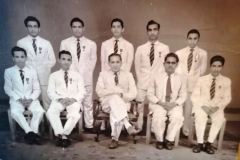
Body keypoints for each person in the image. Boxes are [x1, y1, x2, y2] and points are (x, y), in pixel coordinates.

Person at [60, 17, 97, 131]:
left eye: (79, 27)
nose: (77, 29)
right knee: (73, 101)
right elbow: (64, 61)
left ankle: (89, 125)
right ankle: (74, 125)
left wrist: (86, 72)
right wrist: (73, 74)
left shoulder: (91, 43)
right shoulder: (65, 43)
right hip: (72, 78)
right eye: (74, 27)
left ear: (83, 28)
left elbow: (93, 60)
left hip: (86, 77)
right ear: (71, 28)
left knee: (88, 101)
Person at [96, 53, 138, 149]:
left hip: (123, 103)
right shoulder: (103, 74)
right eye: (112, 62)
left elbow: (134, 93)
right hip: (107, 103)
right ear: (109, 63)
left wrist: (122, 95)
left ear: (121, 62)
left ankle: (114, 139)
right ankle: (127, 125)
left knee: (115, 110)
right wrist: (115, 92)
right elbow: (99, 91)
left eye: (117, 62)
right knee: (114, 98)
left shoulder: (128, 75)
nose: (115, 64)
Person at [4, 46, 45, 145]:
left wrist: (30, 99)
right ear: (13, 58)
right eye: (17, 57)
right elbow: (7, 88)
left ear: (26, 58)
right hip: (17, 100)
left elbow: (37, 89)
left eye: (22, 57)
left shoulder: (32, 71)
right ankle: (30, 132)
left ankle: (32, 132)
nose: (20, 59)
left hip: (31, 99)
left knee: (40, 111)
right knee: (15, 112)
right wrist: (19, 99)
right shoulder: (9, 71)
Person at [191, 55, 231, 154]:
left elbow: (227, 98)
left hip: (216, 107)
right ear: (210, 66)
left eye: (219, 66)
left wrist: (217, 107)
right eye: (214, 66)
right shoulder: (201, 79)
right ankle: (199, 143)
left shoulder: (226, 81)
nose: (216, 69)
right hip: (202, 106)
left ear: (222, 67)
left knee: (219, 119)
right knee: (200, 117)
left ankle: (209, 143)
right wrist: (203, 106)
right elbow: (194, 96)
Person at [135, 20, 170, 132]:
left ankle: (155, 130)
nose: (152, 32)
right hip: (143, 82)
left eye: (155, 29)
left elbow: (166, 67)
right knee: (139, 106)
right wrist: (141, 80)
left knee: (155, 106)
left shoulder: (165, 48)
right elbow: (137, 66)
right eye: (150, 30)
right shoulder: (141, 48)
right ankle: (139, 126)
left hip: (156, 84)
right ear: (147, 32)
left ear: (158, 31)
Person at [147, 53, 186, 150]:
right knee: (159, 117)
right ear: (164, 64)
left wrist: (174, 104)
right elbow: (150, 94)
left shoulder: (181, 78)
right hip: (159, 104)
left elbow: (183, 95)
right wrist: (161, 103)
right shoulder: (155, 76)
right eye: (168, 62)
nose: (170, 65)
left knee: (178, 117)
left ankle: (169, 140)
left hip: (173, 104)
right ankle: (160, 140)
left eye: (173, 63)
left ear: (176, 64)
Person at [46, 50, 85, 148]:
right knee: (51, 112)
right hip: (59, 100)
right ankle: (61, 134)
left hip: (72, 100)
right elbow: (50, 91)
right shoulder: (53, 75)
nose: (66, 62)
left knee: (75, 114)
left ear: (71, 61)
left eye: (68, 60)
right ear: (59, 60)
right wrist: (60, 99)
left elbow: (82, 91)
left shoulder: (77, 75)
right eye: (63, 59)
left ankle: (64, 135)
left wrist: (73, 99)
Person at [17, 16, 56, 110]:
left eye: (35, 26)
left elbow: (53, 60)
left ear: (39, 28)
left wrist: (44, 68)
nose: (32, 29)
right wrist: (29, 69)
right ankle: (36, 122)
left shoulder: (46, 43)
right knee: (31, 101)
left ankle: (49, 121)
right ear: (27, 28)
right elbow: (20, 60)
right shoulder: (21, 43)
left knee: (47, 100)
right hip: (29, 76)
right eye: (30, 26)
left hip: (44, 76)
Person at [175, 29, 207, 136]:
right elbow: (177, 69)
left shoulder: (203, 53)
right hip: (181, 84)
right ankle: (175, 130)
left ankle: (185, 130)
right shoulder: (179, 53)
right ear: (187, 39)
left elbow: (202, 70)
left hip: (193, 85)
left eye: (195, 39)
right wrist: (182, 79)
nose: (192, 41)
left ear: (198, 39)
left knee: (189, 107)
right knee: (178, 107)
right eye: (190, 38)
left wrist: (194, 79)